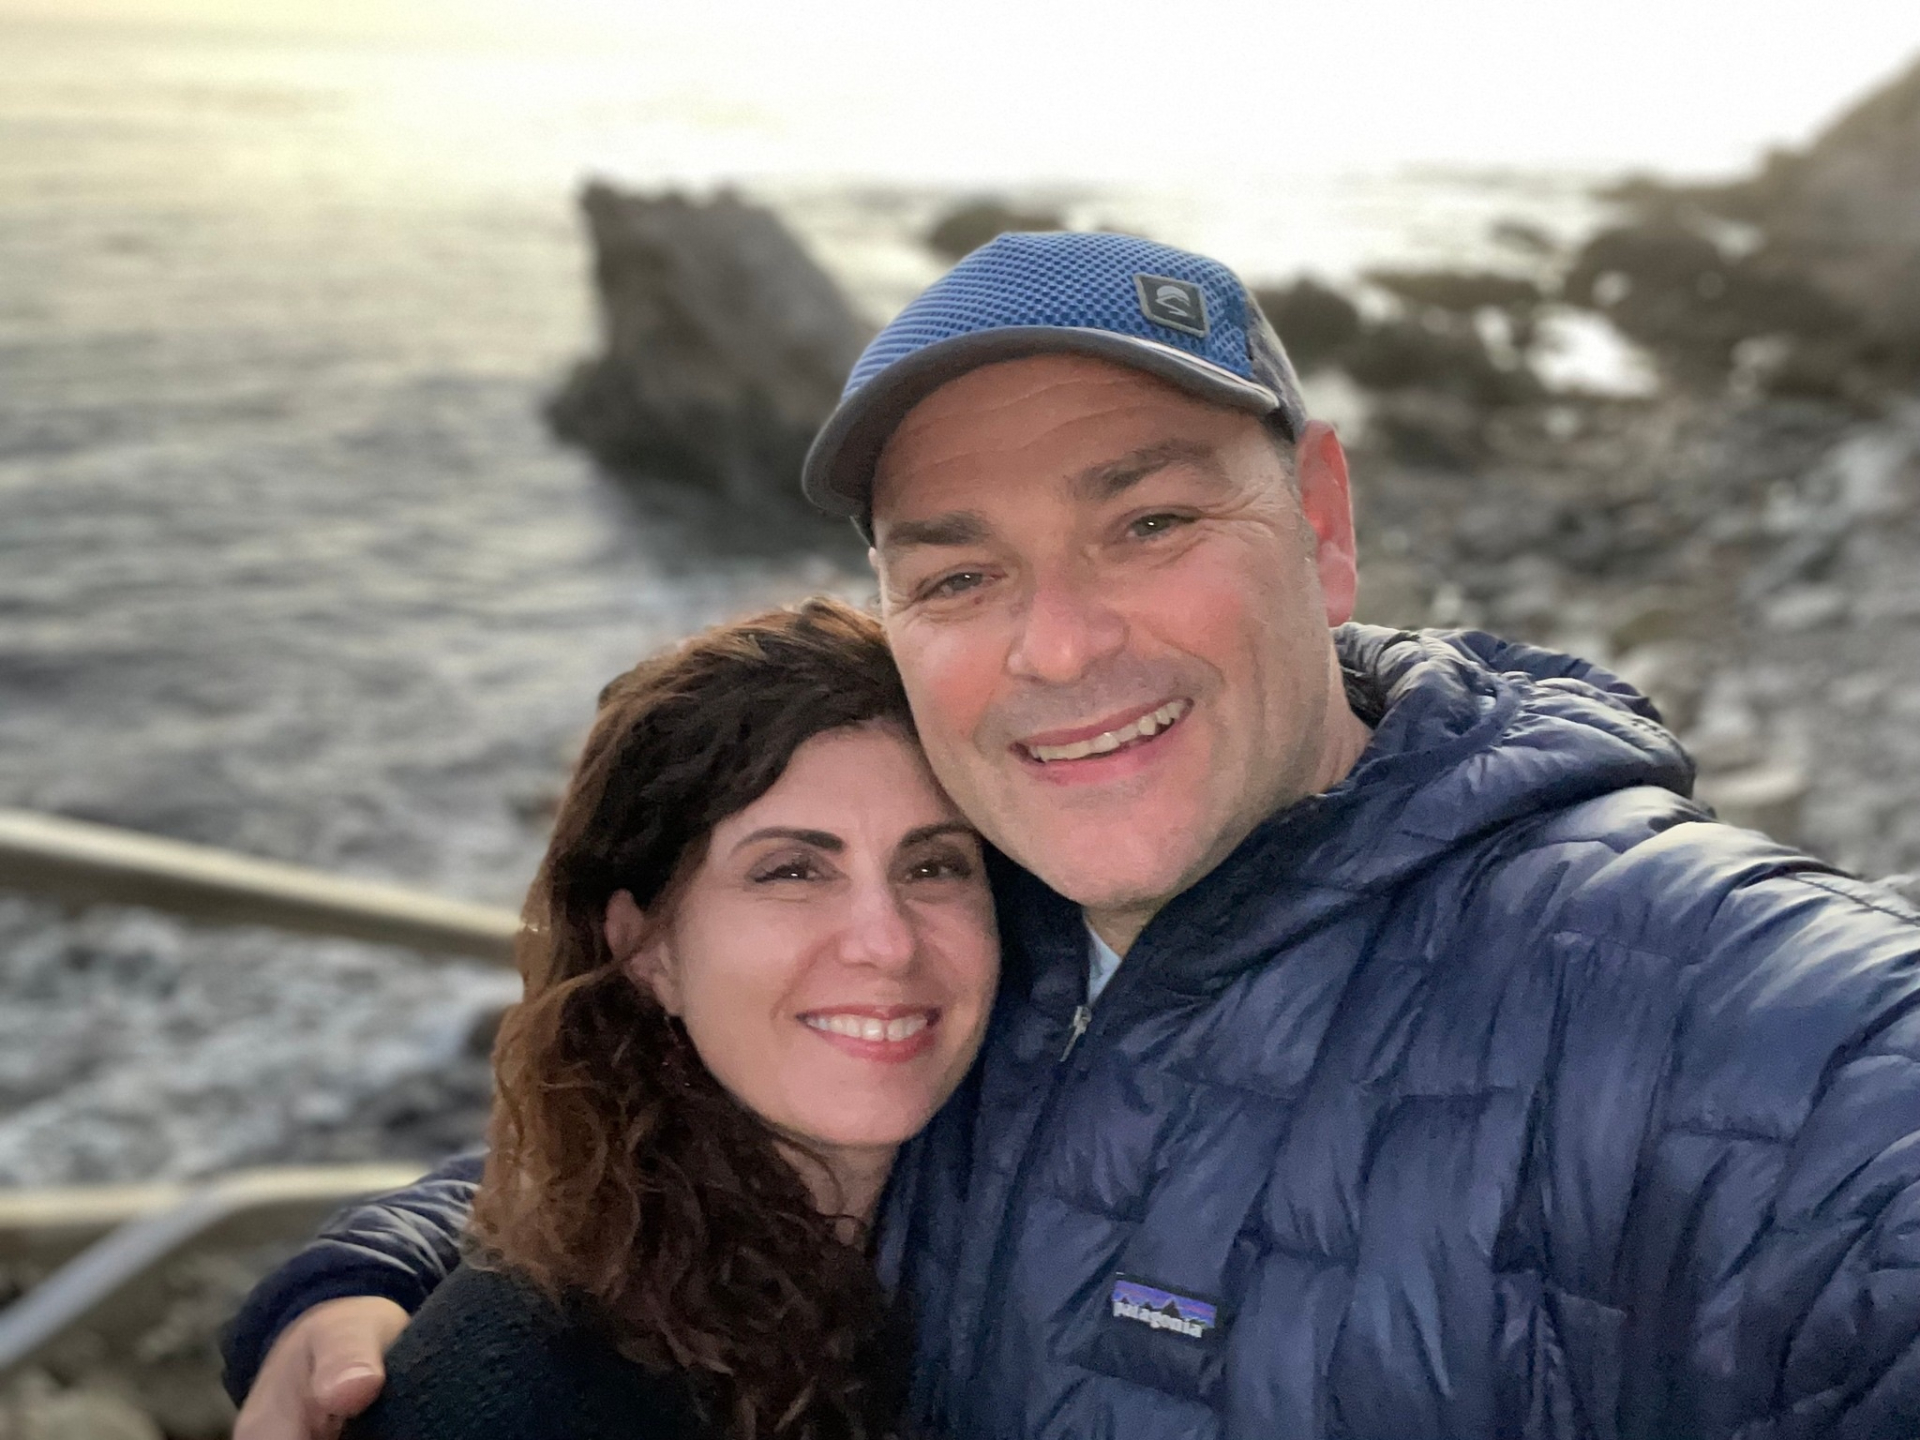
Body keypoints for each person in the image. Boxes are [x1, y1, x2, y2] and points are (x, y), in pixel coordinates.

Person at [227, 233, 1920, 1439]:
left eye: (1150, 520)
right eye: (960, 575)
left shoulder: (1741, 1021)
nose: (1055, 646)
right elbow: (694, 1131)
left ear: (1324, 526)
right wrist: (368, 1278)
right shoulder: (976, 926)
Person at [331, 597, 998, 1440]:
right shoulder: (529, 1395)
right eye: (791, 871)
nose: (888, 943)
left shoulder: (993, 1189)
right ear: (645, 949)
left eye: (933, 865)